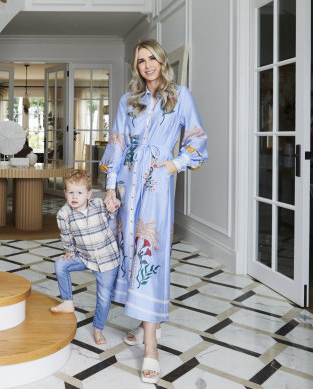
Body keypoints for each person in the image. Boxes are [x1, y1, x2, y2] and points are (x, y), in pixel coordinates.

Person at [99, 39, 208, 383]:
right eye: (140, 60)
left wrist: (172, 166)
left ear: (162, 62)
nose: (147, 65)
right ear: (136, 66)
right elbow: (117, 142)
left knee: (150, 255)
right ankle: (150, 321)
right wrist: (109, 186)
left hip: (157, 187)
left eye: (152, 59)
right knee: (131, 253)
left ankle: (150, 348)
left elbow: (197, 141)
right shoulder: (129, 101)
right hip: (128, 187)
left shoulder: (180, 97)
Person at [51, 169, 120, 346]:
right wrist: (69, 252)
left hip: (107, 259)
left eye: (79, 193)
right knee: (60, 264)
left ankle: (98, 328)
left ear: (88, 194)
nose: (75, 197)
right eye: (70, 192)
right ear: (65, 193)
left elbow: (113, 210)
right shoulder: (64, 214)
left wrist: (115, 204)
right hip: (85, 257)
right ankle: (67, 302)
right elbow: (66, 236)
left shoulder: (98, 204)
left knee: (104, 297)